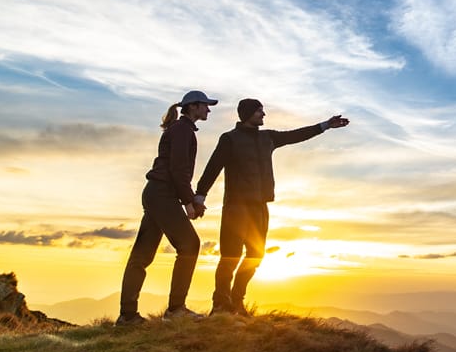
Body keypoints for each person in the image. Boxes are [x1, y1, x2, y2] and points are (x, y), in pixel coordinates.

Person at [195, 98, 349, 316]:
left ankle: (237, 301)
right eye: (259, 111)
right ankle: (220, 305)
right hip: (236, 207)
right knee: (230, 256)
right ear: (247, 113)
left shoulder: (268, 137)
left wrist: (325, 125)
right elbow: (213, 167)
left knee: (256, 255)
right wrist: (200, 195)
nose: (263, 115)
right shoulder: (230, 139)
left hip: (260, 206)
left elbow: (296, 135)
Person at [116, 90, 218, 326]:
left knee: (141, 256)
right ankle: (176, 310)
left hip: (156, 193)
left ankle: (127, 315)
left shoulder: (180, 129)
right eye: (205, 105)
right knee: (190, 244)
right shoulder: (182, 130)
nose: (208, 110)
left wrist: (186, 200)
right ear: (193, 107)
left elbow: (177, 170)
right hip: (163, 194)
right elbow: (178, 169)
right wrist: (189, 202)